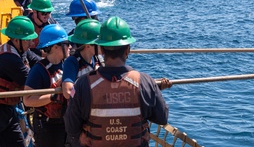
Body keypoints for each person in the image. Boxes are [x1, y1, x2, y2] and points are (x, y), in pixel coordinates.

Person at [64, 16, 171, 147]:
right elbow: (162, 117)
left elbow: (71, 126)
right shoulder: (145, 82)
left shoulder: (82, 84)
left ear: (102, 50)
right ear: (128, 50)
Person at [23, 24, 71, 147]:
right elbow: (27, 100)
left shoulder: (67, 65)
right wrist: (53, 96)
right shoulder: (39, 70)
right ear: (55, 47)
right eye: (66, 43)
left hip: (65, 123)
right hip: (47, 126)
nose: (70, 46)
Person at [0, 16, 38, 147]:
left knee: (17, 142)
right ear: (16, 40)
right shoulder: (9, 58)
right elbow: (31, 80)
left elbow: (37, 62)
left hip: (7, 110)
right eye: (28, 40)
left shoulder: (20, 51)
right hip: (2, 111)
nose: (32, 43)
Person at [62, 19, 103, 100]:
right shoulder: (72, 62)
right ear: (88, 46)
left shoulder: (98, 59)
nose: (103, 45)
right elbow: (68, 91)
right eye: (99, 43)